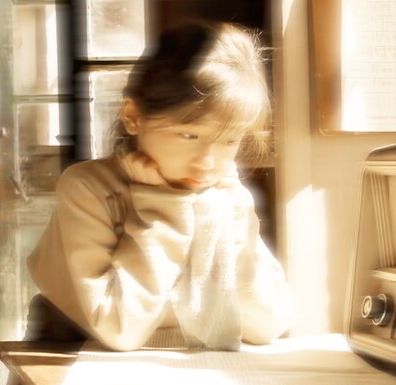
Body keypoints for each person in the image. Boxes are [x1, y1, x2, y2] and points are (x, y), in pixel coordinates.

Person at [26, 20, 293, 352]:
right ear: (133, 116)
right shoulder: (89, 188)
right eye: (189, 135)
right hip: (72, 358)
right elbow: (120, 330)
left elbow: (269, 323)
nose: (208, 161)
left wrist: (234, 216)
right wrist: (163, 205)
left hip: (187, 365)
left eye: (229, 140)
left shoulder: (223, 196)